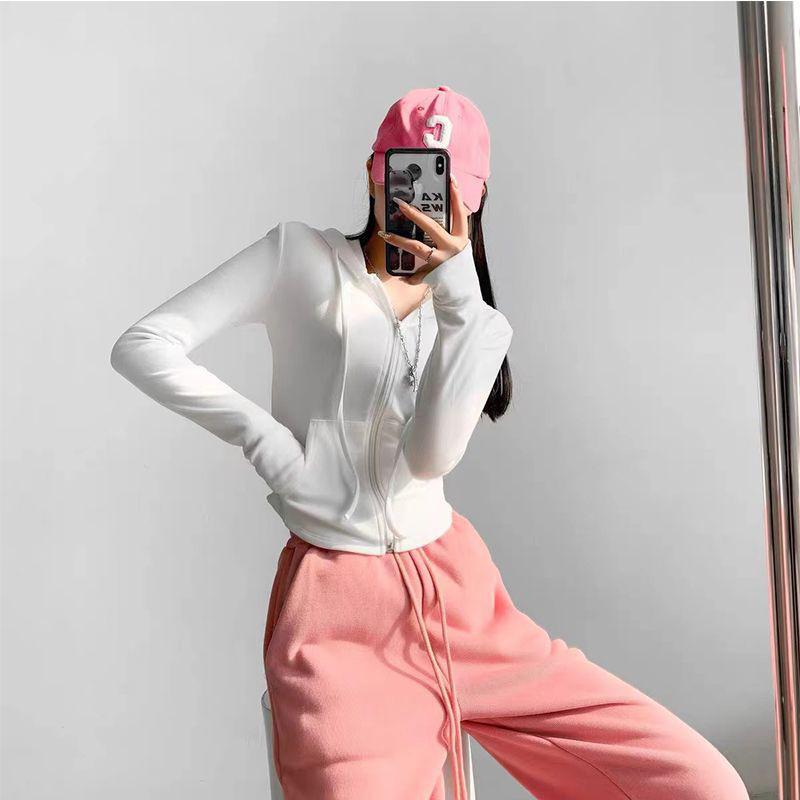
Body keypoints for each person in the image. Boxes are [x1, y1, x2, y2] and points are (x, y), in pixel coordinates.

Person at [110, 85, 749, 800]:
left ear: (475, 199)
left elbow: (431, 456)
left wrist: (461, 297)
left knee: (703, 786)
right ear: (373, 172)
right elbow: (143, 344)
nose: (423, 204)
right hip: (338, 619)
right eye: (407, 176)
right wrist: (269, 445)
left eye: (448, 188)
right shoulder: (298, 257)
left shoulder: (466, 312)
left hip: (463, 603)